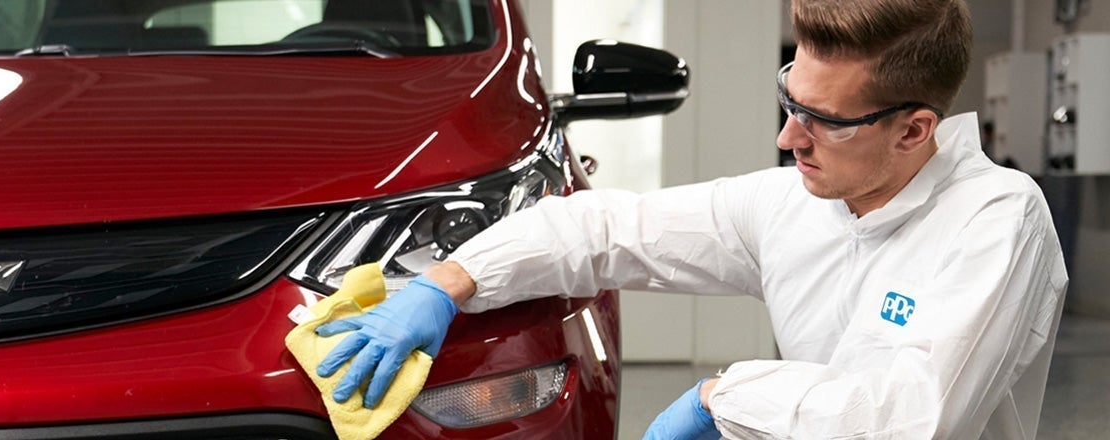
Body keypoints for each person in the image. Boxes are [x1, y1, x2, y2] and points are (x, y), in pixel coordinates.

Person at [312, 0, 1068, 438]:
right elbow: (606, 228)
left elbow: (907, 422)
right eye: (788, 102)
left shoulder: (997, 219)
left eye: (822, 120)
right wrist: (447, 282)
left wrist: (718, 398)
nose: (787, 138)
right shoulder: (801, 203)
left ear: (915, 129)